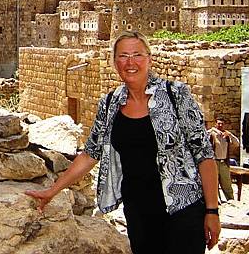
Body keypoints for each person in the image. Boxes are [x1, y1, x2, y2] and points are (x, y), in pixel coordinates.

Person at [25, 31, 220, 254]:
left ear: (149, 59)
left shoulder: (176, 95)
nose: (130, 62)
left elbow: (204, 155)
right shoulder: (110, 104)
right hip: (139, 213)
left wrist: (212, 211)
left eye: (137, 55)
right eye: (123, 56)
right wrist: (52, 191)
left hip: (183, 209)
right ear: (115, 62)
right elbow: (90, 154)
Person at [208, 118, 240, 201]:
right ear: (215, 124)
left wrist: (230, 135)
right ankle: (216, 201)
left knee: (227, 183)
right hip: (214, 162)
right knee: (214, 183)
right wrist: (212, 131)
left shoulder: (226, 135)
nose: (220, 125)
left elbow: (237, 144)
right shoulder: (212, 133)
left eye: (222, 124)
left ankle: (230, 199)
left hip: (224, 162)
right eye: (219, 123)